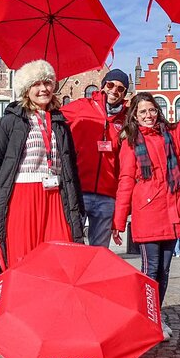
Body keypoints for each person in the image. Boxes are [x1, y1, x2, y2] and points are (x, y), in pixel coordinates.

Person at [111, 59, 180, 340]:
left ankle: (155, 317)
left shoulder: (174, 134)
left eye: (151, 110)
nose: (148, 115)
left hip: (175, 212)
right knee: (150, 270)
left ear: (157, 112)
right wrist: (119, 219)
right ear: (134, 117)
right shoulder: (131, 143)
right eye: (142, 112)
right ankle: (146, 319)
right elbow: (125, 181)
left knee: (165, 270)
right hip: (149, 214)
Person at [0, 59, 85, 303]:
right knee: (22, 258)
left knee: (59, 260)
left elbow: (70, 169)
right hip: (21, 199)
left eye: (47, 82)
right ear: (26, 89)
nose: (43, 88)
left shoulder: (60, 124)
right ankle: (21, 313)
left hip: (56, 198)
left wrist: (79, 206)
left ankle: (52, 317)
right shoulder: (7, 123)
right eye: (36, 83)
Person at [61, 69, 129, 248]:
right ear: (103, 86)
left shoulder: (127, 118)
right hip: (79, 190)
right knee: (72, 245)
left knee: (100, 252)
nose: (115, 90)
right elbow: (53, 118)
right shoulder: (82, 106)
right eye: (111, 85)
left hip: (107, 195)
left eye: (121, 89)